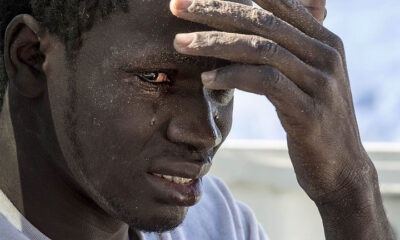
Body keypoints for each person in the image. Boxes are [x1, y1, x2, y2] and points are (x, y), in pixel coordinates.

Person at [0, 0, 394, 239]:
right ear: (32, 58)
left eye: (222, 86)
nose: (204, 134)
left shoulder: (217, 223)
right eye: (155, 79)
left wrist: (348, 189)